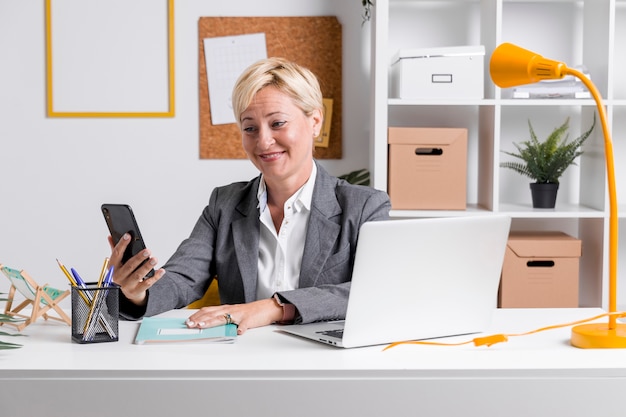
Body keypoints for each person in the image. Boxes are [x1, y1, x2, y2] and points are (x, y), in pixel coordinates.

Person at [109, 57, 391, 335]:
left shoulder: (364, 206)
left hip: (325, 364)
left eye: (278, 123)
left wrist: (273, 308)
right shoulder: (225, 204)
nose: (263, 141)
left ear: (315, 121)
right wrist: (137, 293)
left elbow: (379, 289)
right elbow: (182, 278)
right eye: (250, 128)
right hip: (244, 360)